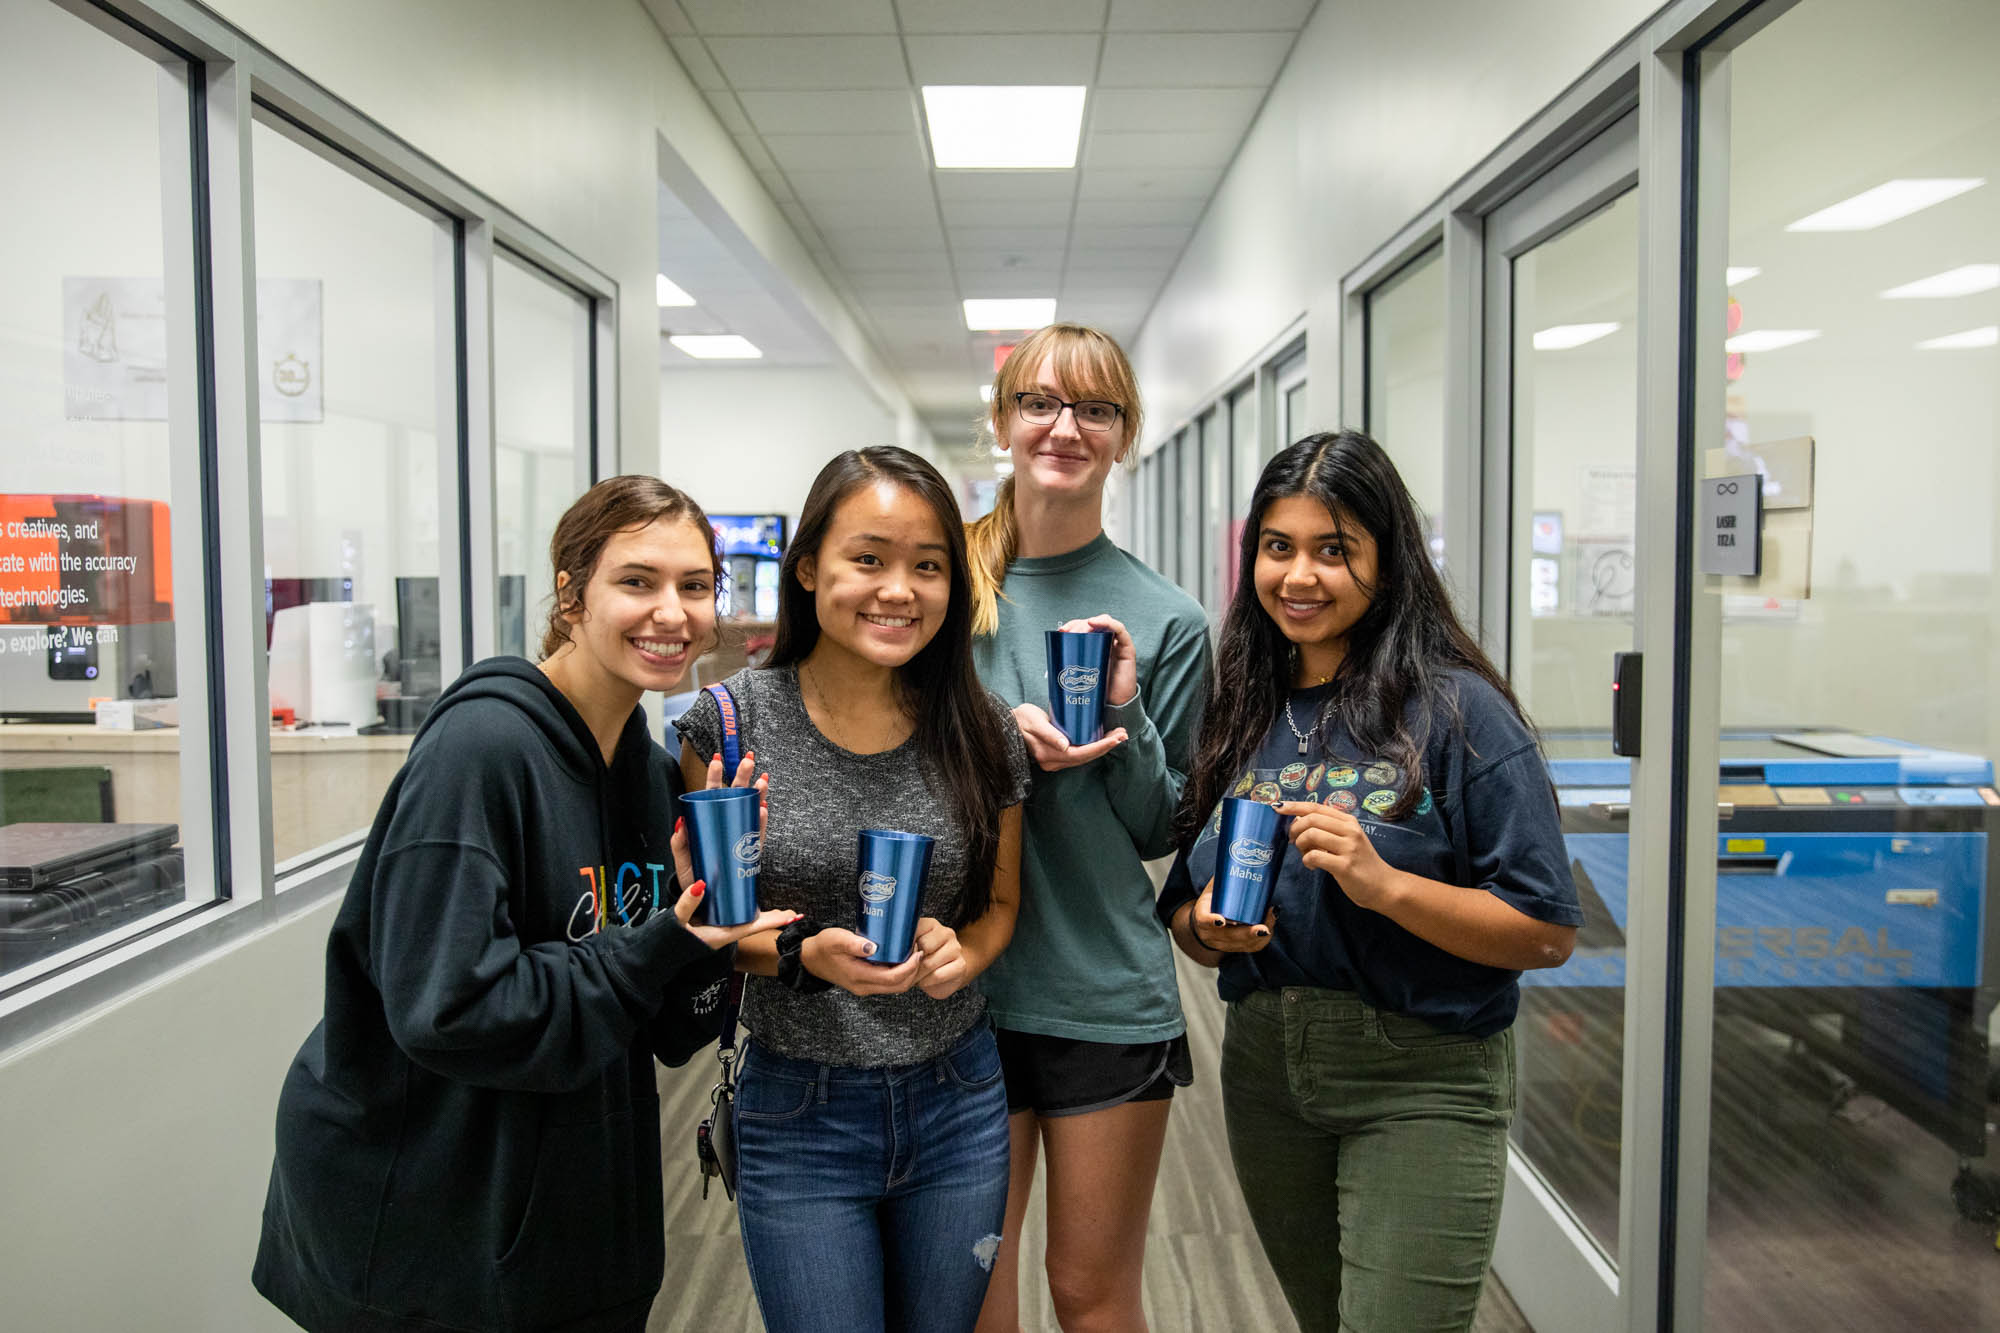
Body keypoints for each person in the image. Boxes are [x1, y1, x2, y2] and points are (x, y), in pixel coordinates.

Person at [251, 476, 796, 1333]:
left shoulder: (651, 777)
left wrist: (720, 929)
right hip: (429, 1225)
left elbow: (664, 1029)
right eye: (637, 580)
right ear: (572, 594)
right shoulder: (480, 752)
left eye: (696, 585)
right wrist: (660, 941)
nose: (673, 611)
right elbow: (452, 1004)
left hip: (568, 1215)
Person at [1160, 431, 1582, 1333]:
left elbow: (1545, 927)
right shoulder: (1241, 707)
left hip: (1422, 1072)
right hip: (1268, 1069)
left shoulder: (1460, 711)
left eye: (1334, 549)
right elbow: (1187, 922)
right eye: (1279, 547)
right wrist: (1208, 928)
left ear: (1387, 565)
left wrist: (1385, 884)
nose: (1300, 575)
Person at [673, 446, 1031, 1333]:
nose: (897, 590)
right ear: (807, 569)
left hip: (959, 1099)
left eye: (928, 566)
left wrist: (964, 951)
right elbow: (713, 927)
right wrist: (803, 957)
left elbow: (1002, 906)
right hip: (799, 1108)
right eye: (867, 559)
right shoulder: (729, 721)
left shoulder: (981, 728)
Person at [965, 324, 1213, 1333]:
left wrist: (1123, 717)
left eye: (1094, 409)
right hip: (959, 988)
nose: (1064, 427)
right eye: (1039, 403)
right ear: (1004, 423)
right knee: (974, 1291)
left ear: (1123, 437)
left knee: (1088, 1289)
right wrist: (995, 738)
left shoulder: (1167, 618)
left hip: (1101, 987)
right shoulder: (944, 588)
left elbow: (1161, 828)